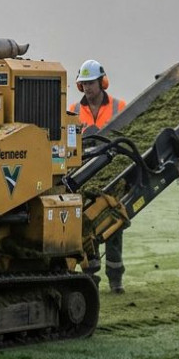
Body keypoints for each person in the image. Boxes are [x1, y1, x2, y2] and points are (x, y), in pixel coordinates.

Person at [68, 59, 128, 293]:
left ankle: (116, 280)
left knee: (114, 225)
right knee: (87, 227)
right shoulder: (72, 110)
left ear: (102, 82)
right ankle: (90, 278)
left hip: (113, 174)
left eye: (91, 83)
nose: (88, 88)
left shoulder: (119, 107)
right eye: (83, 83)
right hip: (83, 175)